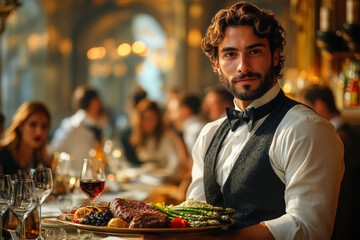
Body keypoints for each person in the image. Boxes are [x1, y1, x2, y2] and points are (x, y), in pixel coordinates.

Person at [145, 2, 344, 240]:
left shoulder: (306, 129)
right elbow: (194, 214)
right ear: (217, 65)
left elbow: (309, 227)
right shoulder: (209, 134)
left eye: (254, 51)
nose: (243, 66)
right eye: (230, 54)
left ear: (275, 55)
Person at [301, 84, 360, 240]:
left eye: (305, 108)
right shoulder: (349, 133)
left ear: (319, 106)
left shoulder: (337, 139)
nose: (302, 117)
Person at [128, 99, 187, 184]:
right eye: (145, 118)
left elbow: (175, 165)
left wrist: (159, 174)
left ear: (158, 119)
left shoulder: (167, 137)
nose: (148, 122)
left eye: (151, 118)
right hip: (148, 181)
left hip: (168, 183)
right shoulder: (140, 137)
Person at [49, 85, 104, 174]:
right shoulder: (72, 126)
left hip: (92, 178)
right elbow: (53, 152)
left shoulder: (96, 126)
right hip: (75, 179)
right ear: (94, 103)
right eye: (99, 101)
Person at [0, 101, 52, 179]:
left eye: (44, 126)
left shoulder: (44, 163)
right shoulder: (2, 156)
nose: (39, 132)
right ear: (21, 126)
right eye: (33, 124)